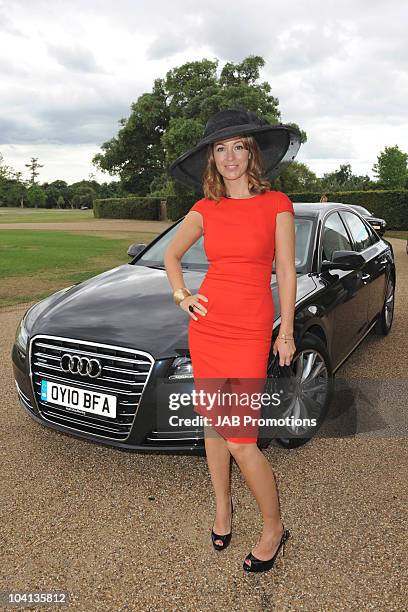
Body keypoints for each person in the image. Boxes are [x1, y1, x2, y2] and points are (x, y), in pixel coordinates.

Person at [164, 109, 300, 573]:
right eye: (219, 149)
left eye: (237, 146)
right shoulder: (205, 209)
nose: (229, 157)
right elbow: (171, 254)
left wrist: (287, 329)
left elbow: (284, 270)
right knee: (212, 424)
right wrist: (182, 294)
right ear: (211, 159)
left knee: (241, 437)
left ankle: (274, 526)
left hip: (249, 328)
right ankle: (223, 508)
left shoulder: (278, 203)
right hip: (207, 327)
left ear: (252, 152)